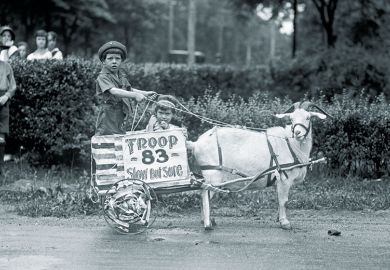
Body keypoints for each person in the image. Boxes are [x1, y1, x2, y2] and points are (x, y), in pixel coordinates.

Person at [95, 41, 157, 135]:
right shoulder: (103, 76)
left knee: (120, 141)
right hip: (108, 117)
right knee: (107, 141)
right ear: (103, 61)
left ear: (122, 61)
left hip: (120, 114)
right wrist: (135, 95)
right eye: (110, 58)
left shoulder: (121, 76)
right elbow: (114, 91)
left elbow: (128, 89)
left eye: (117, 58)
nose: (114, 61)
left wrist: (144, 93)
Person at [0, 58, 16, 175]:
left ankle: (0, 168)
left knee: (1, 136)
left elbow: (13, 86)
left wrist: (6, 96)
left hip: (3, 101)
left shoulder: (6, 66)